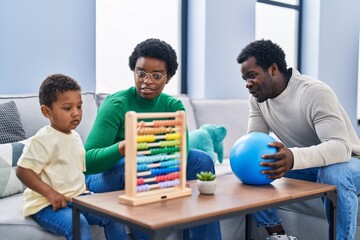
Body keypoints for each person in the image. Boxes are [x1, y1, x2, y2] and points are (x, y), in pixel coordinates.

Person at [84, 38, 222, 240]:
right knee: (140, 163)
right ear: (134, 71)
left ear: (168, 77)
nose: (146, 81)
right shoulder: (116, 104)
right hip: (105, 175)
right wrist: (122, 147)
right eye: (140, 74)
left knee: (202, 160)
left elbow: (181, 152)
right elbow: (87, 162)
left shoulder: (173, 106)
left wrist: (165, 167)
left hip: (153, 167)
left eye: (156, 76)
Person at [236, 39, 360, 240]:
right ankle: (278, 234)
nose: (248, 84)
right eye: (244, 79)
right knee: (254, 167)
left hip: (348, 161)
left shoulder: (314, 92)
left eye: (252, 76)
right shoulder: (258, 99)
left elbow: (340, 147)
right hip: (307, 164)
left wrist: (292, 157)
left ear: (273, 69)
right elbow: (254, 141)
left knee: (332, 174)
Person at [16, 74, 126, 240]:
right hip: (46, 204)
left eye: (79, 107)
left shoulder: (75, 137)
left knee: (113, 216)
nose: (76, 113)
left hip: (77, 198)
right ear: (47, 111)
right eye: (68, 108)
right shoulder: (44, 138)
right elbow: (22, 171)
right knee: (78, 224)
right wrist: (50, 193)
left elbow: (74, 171)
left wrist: (86, 191)